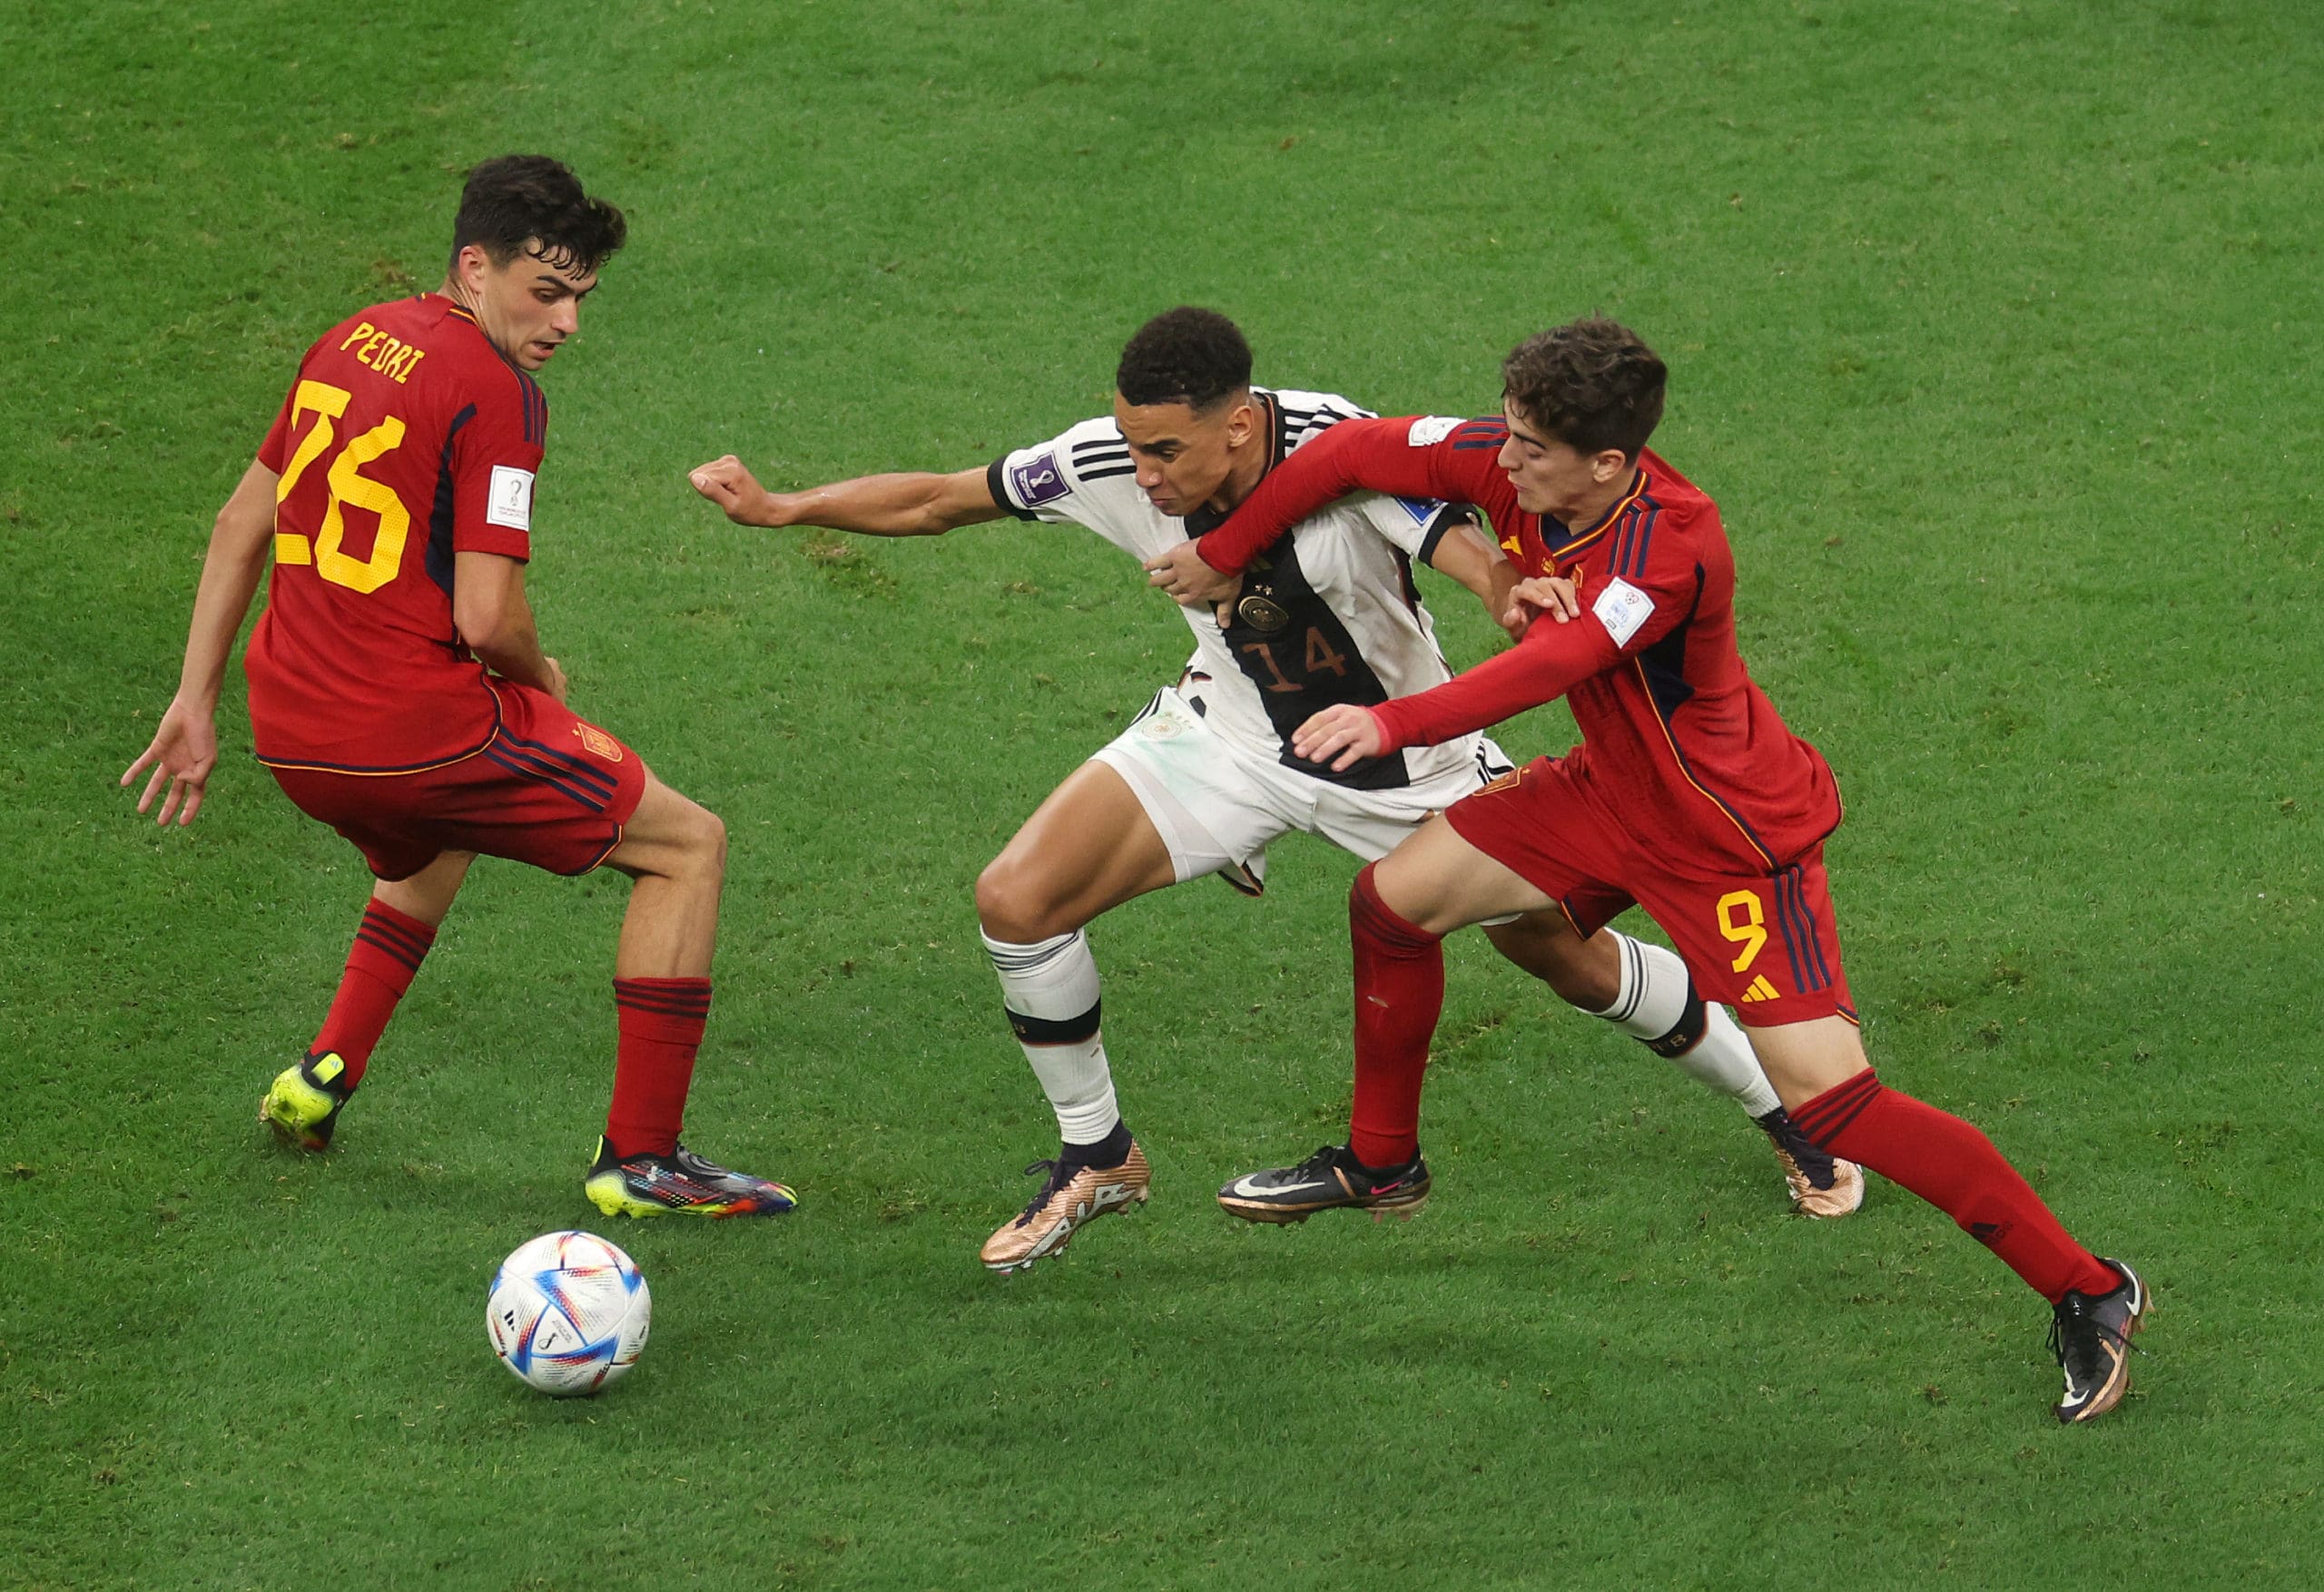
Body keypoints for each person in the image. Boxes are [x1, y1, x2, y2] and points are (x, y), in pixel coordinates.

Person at [690, 307, 1856, 1275]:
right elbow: (943, 497)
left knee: (1560, 954)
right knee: (1016, 895)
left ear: (1240, 425)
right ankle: (1096, 1154)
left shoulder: (1333, 442)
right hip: (1232, 737)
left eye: (1168, 456)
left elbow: (1453, 528)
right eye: (1133, 449)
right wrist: (785, 507)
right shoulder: (1107, 458)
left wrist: (1505, 588)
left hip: (1405, 763)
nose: (1142, 477)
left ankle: (1780, 1103)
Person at [1145, 317, 2146, 1423]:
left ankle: (2090, 1290)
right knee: (1392, 904)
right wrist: (1227, 549)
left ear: (1609, 463)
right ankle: (1382, 1165)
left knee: (1838, 1101)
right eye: (1509, 433)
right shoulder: (1521, 460)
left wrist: (1392, 722)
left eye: (1530, 448)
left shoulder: (1670, 546)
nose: (1504, 462)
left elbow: (1553, 663)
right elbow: (1347, 452)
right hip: (1601, 795)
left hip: (1728, 844)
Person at [122, 155, 794, 1220]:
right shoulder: (498, 393)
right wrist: (545, 680)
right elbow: (488, 618)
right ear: (475, 267)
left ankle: (320, 1075)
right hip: (412, 732)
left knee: (443, 822)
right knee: (688, 844)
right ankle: (643, 1160)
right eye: (546, 289)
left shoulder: (347, 339)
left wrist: (194, 701)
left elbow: (239, 522)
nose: (567, 321)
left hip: (291, 733)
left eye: (582, 297)